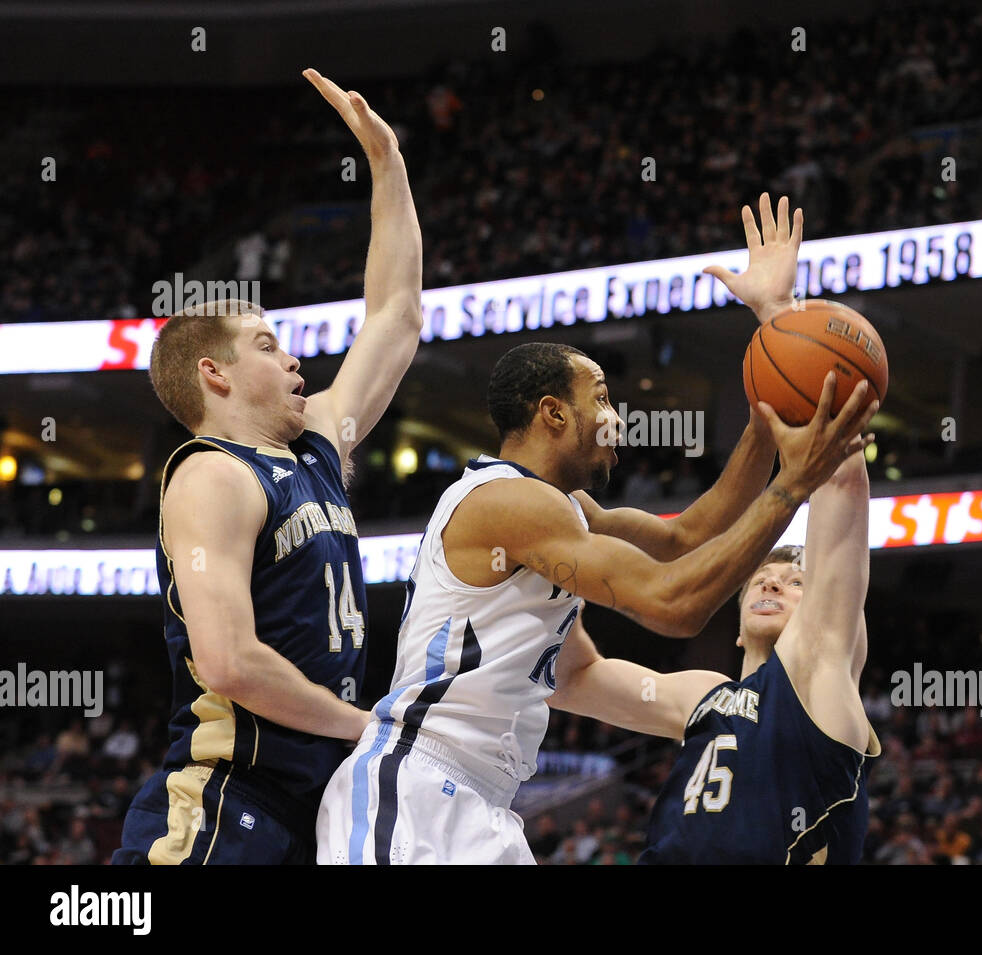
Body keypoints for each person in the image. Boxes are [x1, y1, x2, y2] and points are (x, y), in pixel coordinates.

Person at [317, 194, 876, 864]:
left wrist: (772, 380)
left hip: (484, 805)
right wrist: (791, 484)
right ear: (552, 413)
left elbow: (687, 536)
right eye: (602, 398)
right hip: (415, 785)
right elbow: (674, 602)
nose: (618, 418)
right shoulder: (509, 504)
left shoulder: (570, 510)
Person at [113, 69, 423, 865]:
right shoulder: (211, 475)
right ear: (213, 374)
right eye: (267, 344)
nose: (294, 359)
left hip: (311, 805)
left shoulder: (315, 444)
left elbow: (395, 316)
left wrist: (388, 169)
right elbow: (225, 659)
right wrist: (371, 726)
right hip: (224, 799)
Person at [550, 442, 881, 864]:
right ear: (739, 631)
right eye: (761, 579)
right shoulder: (706, 696)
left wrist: (831, 421)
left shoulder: (823, 679)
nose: (771, 584)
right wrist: (553, 561)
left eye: (795, 582)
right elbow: (571, 680)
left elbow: (840, 489)